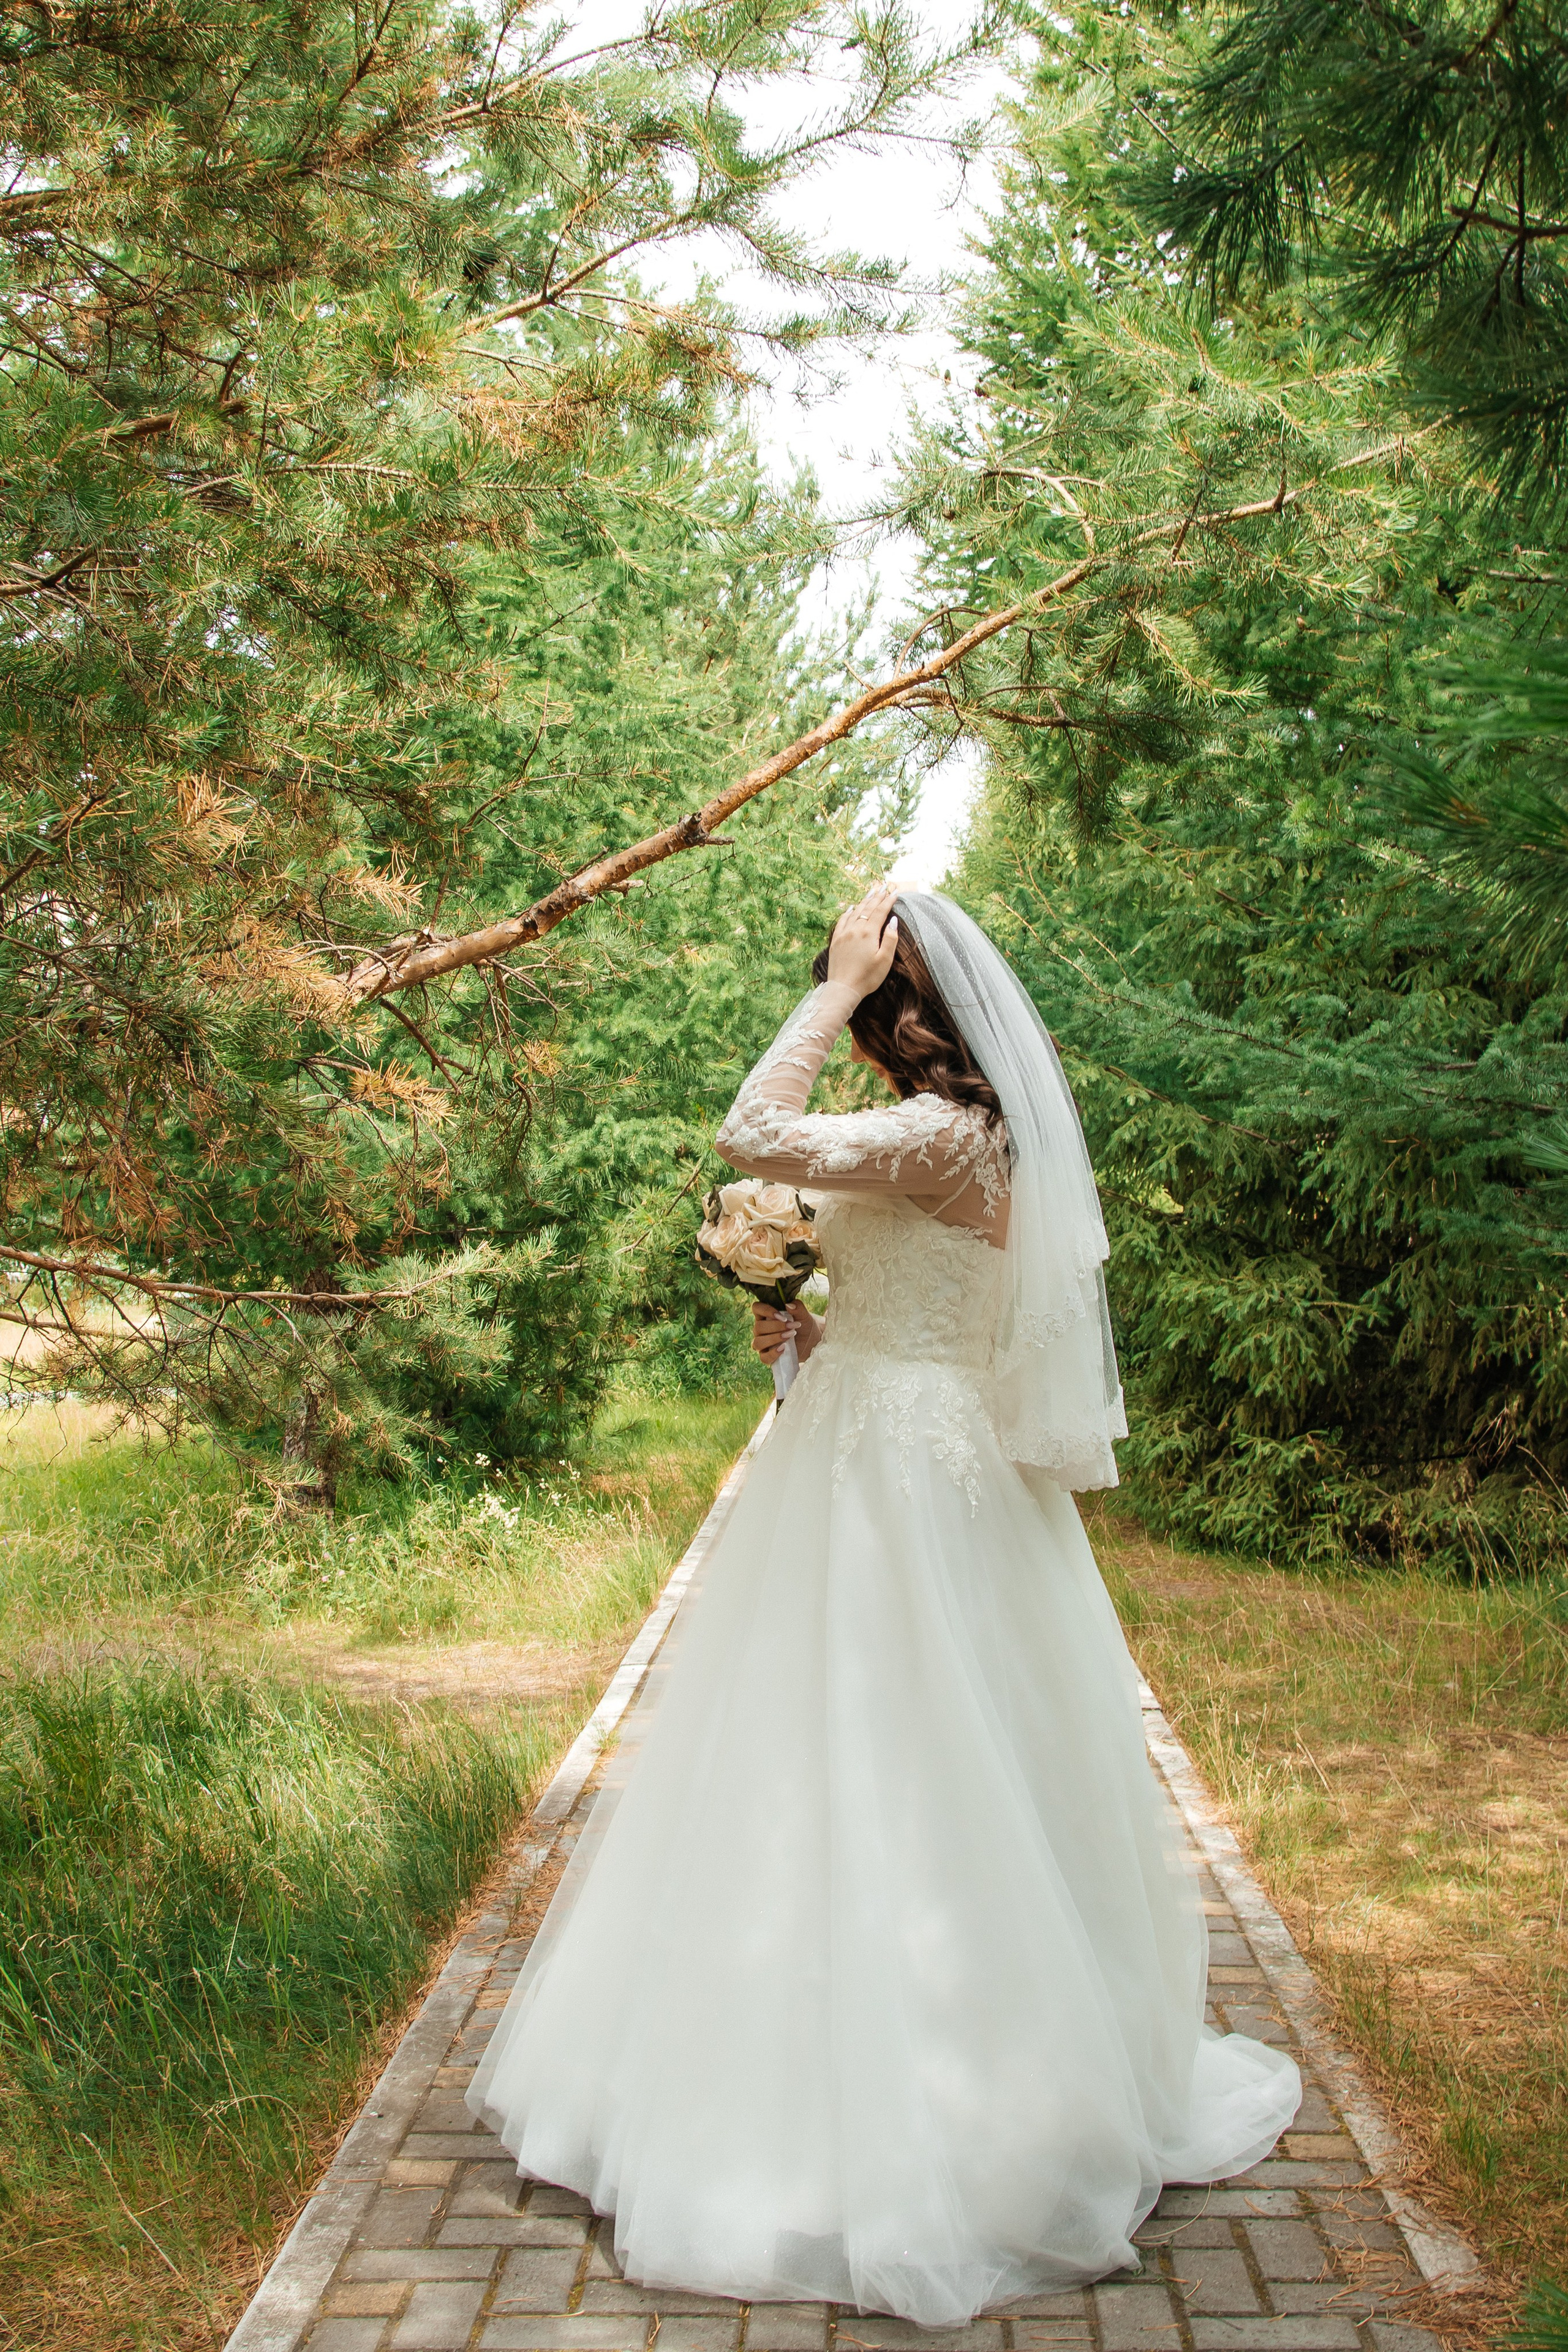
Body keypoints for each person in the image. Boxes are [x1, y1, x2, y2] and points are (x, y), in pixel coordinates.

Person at [469, 883, 1301, 2326]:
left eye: (858, 1011)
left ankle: (922, 2116)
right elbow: (901, 1301)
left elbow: (750, 1133)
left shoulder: (943, 1132)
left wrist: (824, 986)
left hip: (897, 1479)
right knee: (828, 1753)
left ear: (889, 1012)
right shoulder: (966, 1140)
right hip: (878, 1439)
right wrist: (796, 1326)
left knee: (902, 1759)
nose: (848, 1040)